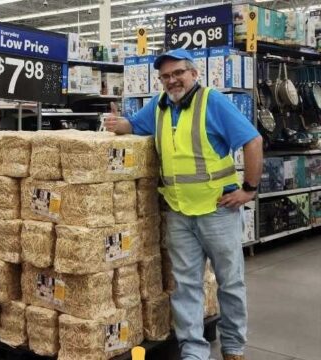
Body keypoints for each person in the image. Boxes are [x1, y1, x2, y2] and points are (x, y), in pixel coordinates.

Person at [105, 49, 263, 360]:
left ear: (193, 73)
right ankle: (193, 351)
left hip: (218, 210)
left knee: (230, 283)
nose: (172, 80)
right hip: (178, 212)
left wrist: (249, 189)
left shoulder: (212, 101)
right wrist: (116, 123)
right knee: (186, 286)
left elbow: (253, 140)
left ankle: (233, 348)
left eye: (178, 73)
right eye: (165, 76)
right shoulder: (159, 106)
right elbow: (134, 126)